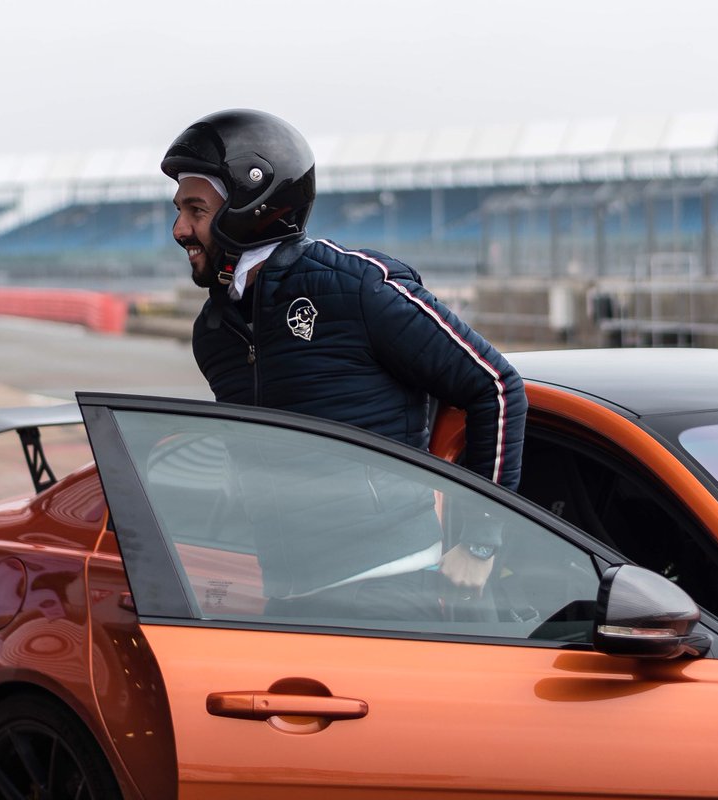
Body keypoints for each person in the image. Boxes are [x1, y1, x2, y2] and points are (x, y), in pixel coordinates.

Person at [161, 108, 527, 618]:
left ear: (252, 206)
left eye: (195, 210)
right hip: (288, 597)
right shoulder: (214, 332)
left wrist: (481, 541)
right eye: (179, 211)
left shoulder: (354, 287)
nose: (179, 229)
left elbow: (495, 386)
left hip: (389, 590)